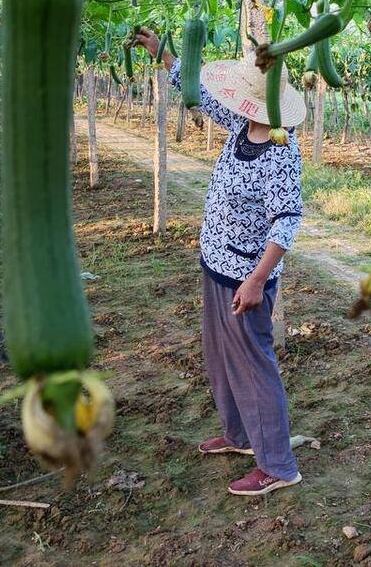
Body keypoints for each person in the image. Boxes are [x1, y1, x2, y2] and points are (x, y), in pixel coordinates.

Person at [134, 28, 306, 496]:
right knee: (220, 358)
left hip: (245, 280)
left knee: (254, 365)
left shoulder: (280, 149)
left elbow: (287, 222)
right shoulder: (241, 127)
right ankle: (238, 437)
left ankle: (278, 465)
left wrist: (256, 282)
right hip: (216, 264)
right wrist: (164, 55)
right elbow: (198, 99)